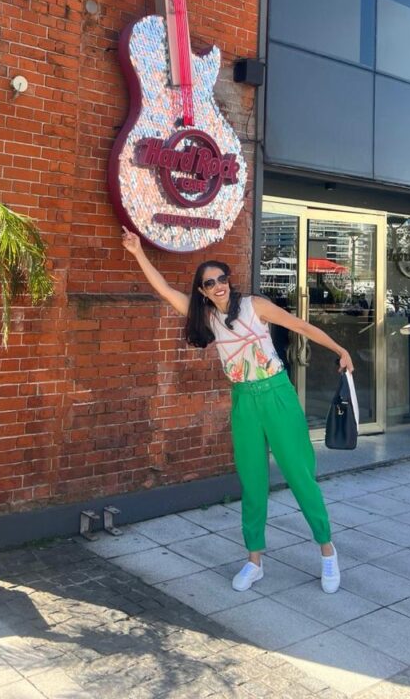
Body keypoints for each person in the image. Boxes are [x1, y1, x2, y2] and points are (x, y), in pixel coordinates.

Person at [121, 227, 354, 594]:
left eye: (222, 278)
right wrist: (137, 252)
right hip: (244, 400)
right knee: (252, 480)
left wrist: (340, 350)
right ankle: (254, 560)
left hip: (277, 394)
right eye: (210, 282)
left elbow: (300, 325)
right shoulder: (209, 320)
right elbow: (164, 290)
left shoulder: (254, 306)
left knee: (299, 474)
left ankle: (327, 551)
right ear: (202, 291)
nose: (218, 285)